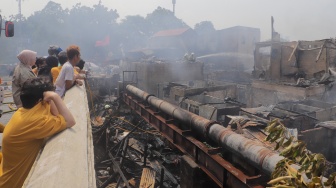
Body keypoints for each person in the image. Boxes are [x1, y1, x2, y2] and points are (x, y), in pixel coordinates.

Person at [0, 77, 76, 188]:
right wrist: (55, 97)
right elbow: (70, 121)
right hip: (10, 183)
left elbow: (56, 115)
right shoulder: (35, 121)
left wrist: (50, 99)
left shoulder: (24, 110)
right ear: (40, 101)